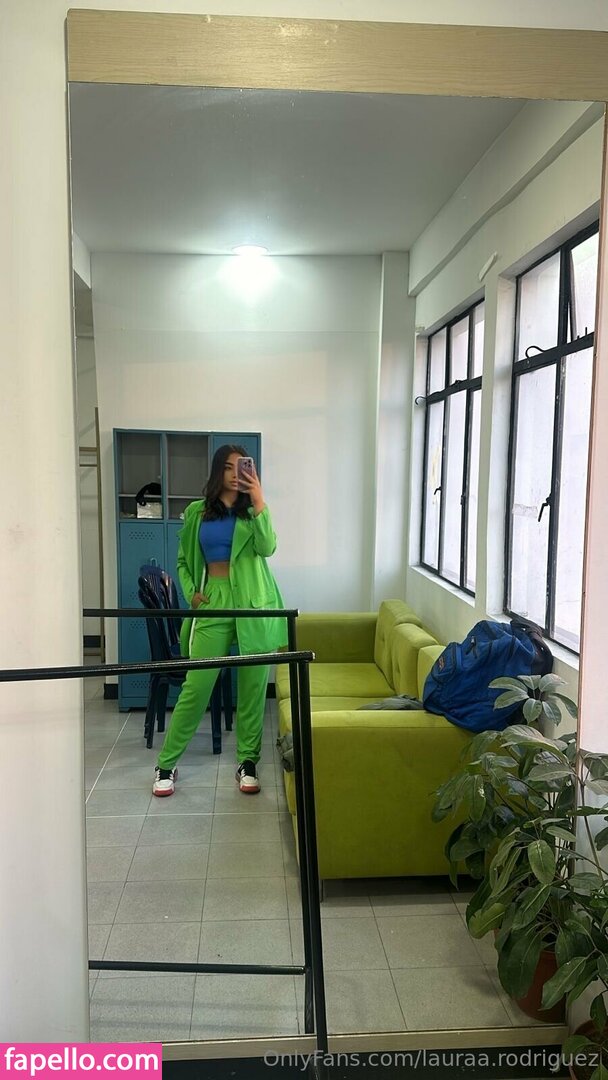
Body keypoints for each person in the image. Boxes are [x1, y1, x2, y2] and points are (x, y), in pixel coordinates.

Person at [152, 444, 286, 797]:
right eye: (228, 467)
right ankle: (166, 763)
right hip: (213, 599)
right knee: (197, 687)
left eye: (242, 467)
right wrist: (192, 592)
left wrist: (258, 499)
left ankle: (248, 762)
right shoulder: (197, 512)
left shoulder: (253, 511)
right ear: (217, 471)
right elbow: (183, 561)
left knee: (252, 690)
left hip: (253, 602)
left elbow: (268, 547)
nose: (235, 473)